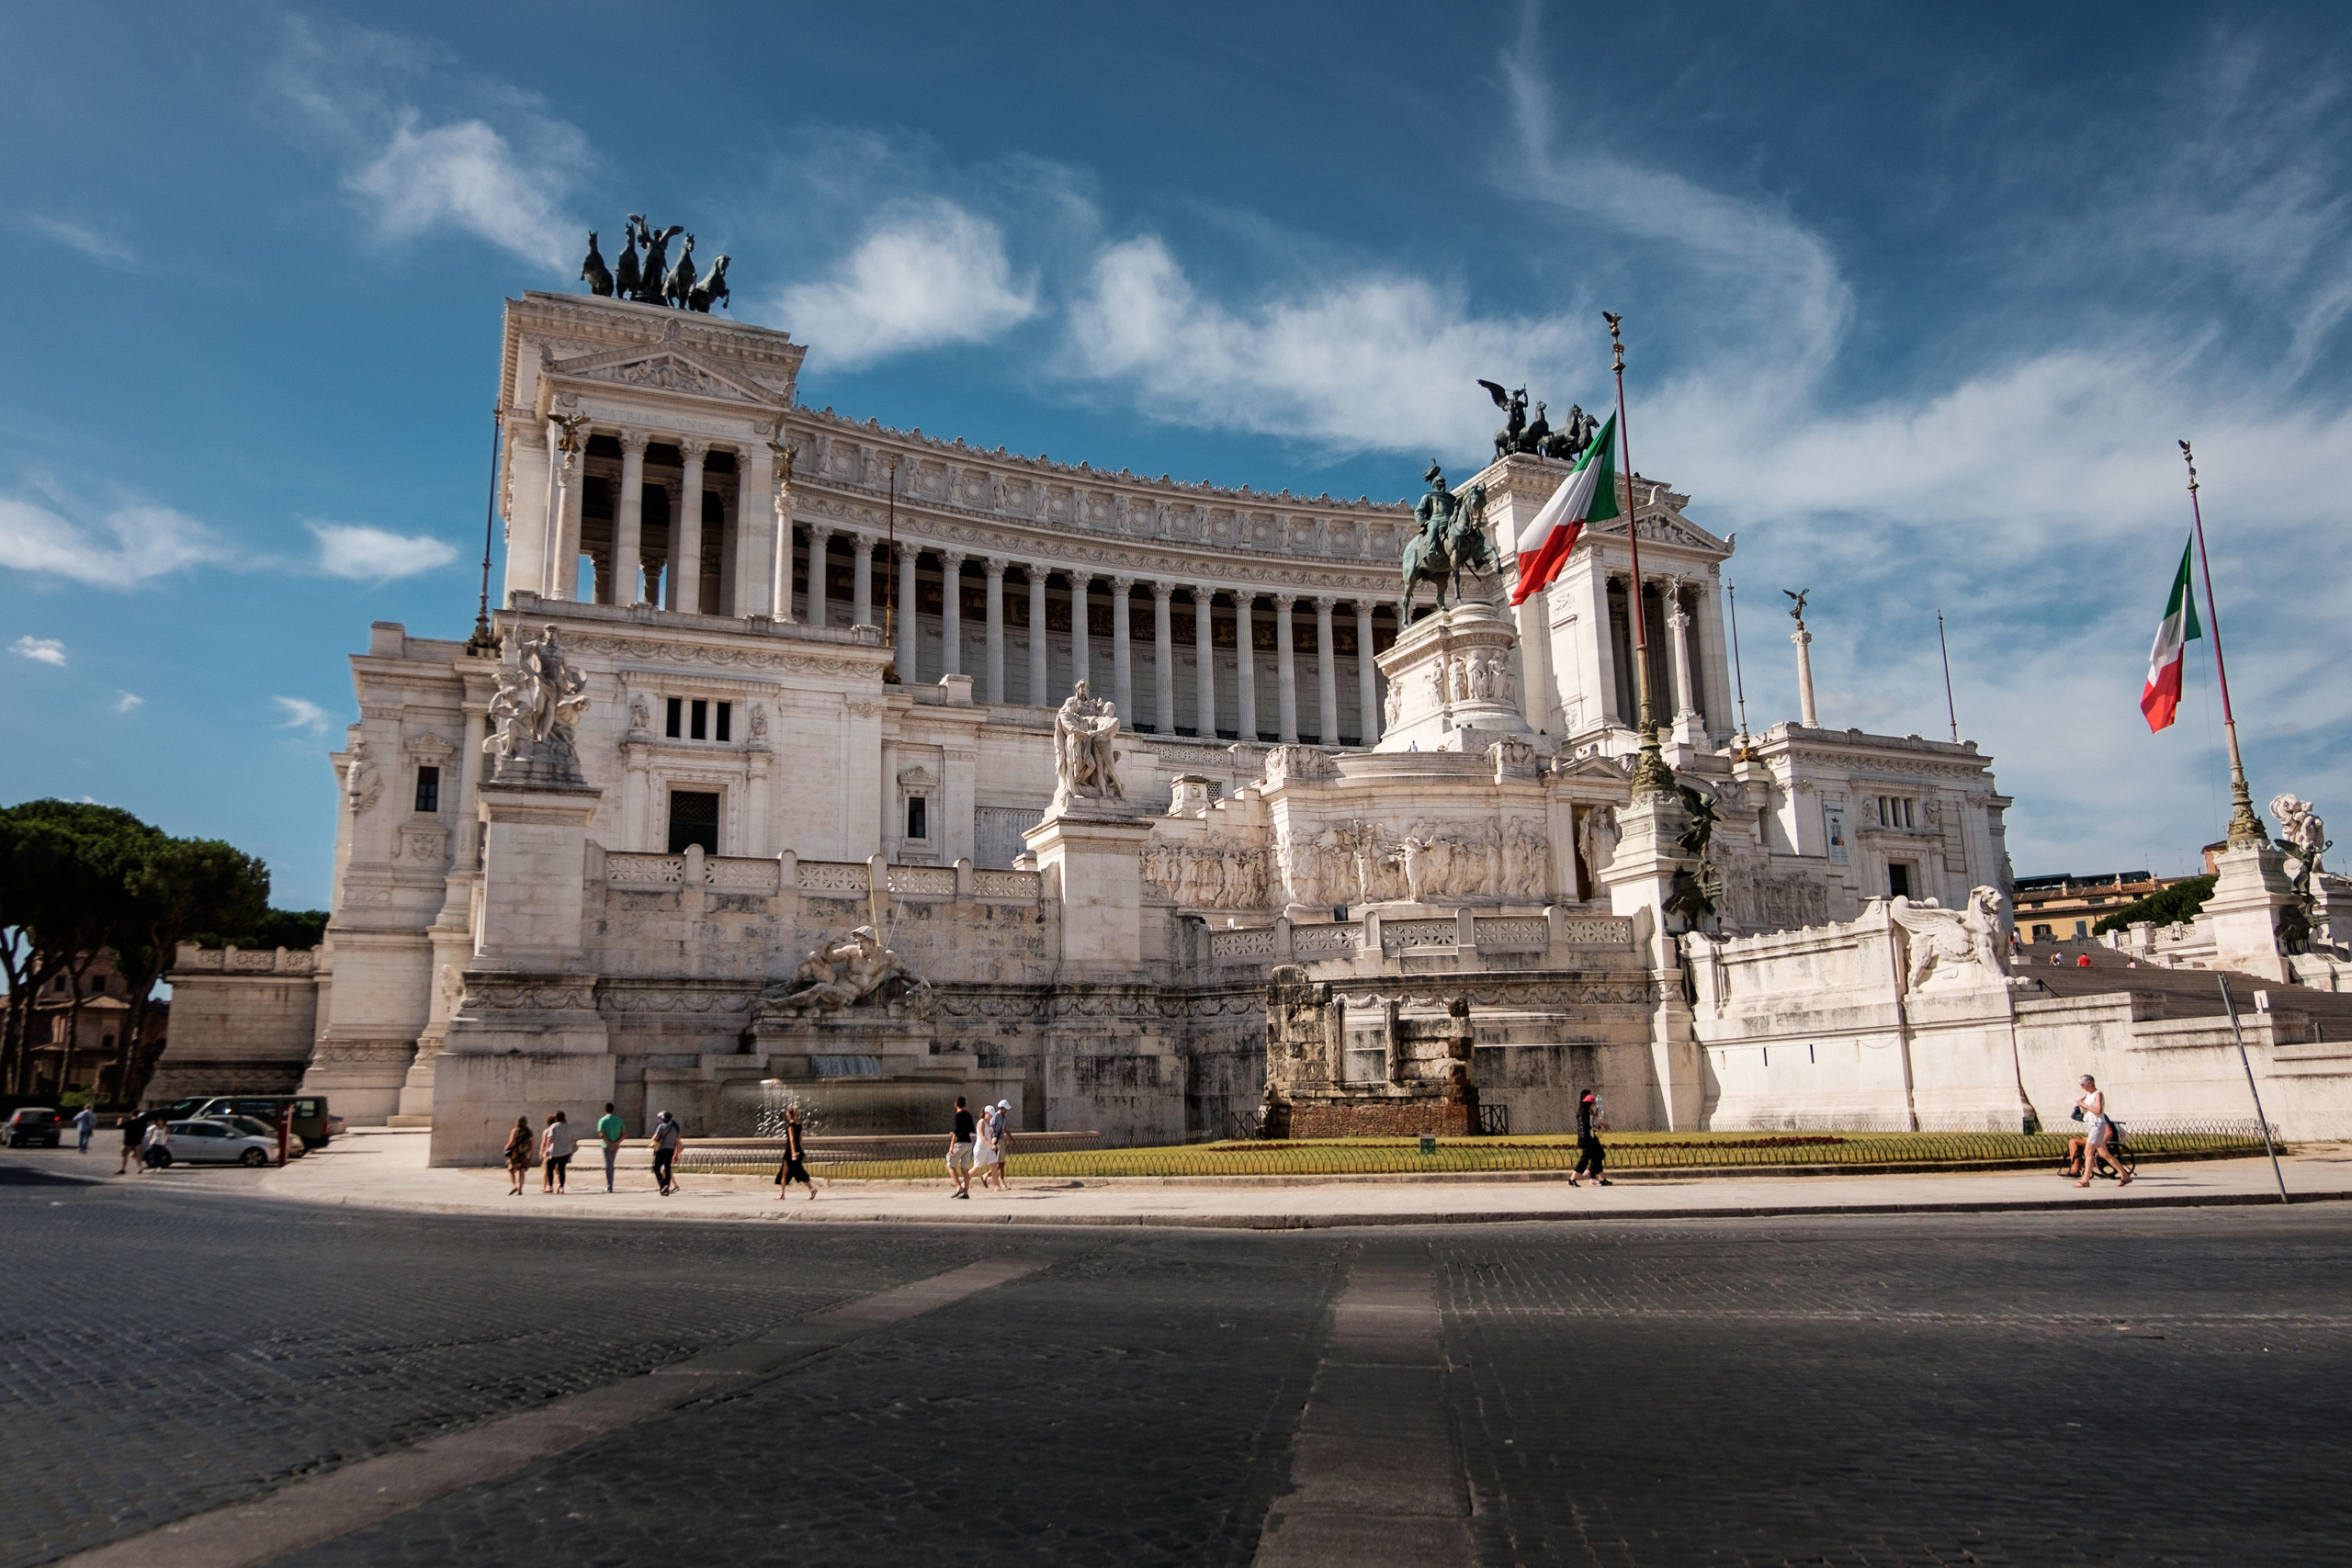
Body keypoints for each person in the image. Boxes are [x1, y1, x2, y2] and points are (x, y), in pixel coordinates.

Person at [2074, 1075, 2131, 1188]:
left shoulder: (2098, 1094)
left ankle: (2085, 1180)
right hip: (2093, 1125)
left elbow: (2099, 1111)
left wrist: (2083, 1104)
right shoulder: (2089, 1095)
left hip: (2097, 1126)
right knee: (2104, 1153)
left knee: (2088, 1152)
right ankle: (2125, 1175)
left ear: (2090, 1083)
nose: (2082, 1087)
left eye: (2083, 1084)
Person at [1568, 1089, 1610, 1187]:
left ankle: (1602, 1178)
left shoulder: (1585, 1112)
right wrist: (1594, 1128)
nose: (1593, 1106)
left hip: (1590, 1138)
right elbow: (1586, 1126)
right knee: (1584, 1159)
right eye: (1592, 1104)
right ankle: (1572, 1178)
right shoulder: (1584, 1113)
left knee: (1597, 1156)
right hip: (1588, 1139)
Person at [775, 1104, 814, 1201]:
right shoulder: (799, 1124)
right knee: (799, 1171)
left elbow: (792, 1140)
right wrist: (799, 1150)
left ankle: (782, 1194)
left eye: (786, 1113)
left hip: (790, 1152)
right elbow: (800, 1139)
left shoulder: (791, 1126)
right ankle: (811, 1189)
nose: (786, 1114)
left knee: (784, 1173)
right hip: (798, 1150)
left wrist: (793, 1152)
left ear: (789, 1114)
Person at [945, 1096, 976, 1199]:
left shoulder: (957, 1115)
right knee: (965, 1170)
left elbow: (957, 1131)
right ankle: (966, 1193)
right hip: (968, 1143)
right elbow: (971, 1129)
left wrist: (951, 1146)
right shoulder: (968, 1115)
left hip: (960, 1143)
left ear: (956, 1104)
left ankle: (959, 1186)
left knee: (950, 1164)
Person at [540, 1111, 575, 1194]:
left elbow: (550, 1139)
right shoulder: (568, 1127)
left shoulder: (554, 1126)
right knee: (562, 1169)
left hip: (555, 1151)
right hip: (566, 1151)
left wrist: (548, 1150)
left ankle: (550, 1186)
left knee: (550, 1168)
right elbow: (571, 1139)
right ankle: (561, 1187)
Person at [971, 1103, 1002, 1192]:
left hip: (988, 1148)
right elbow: (982, 1137)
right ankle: (963, 1184)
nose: (991, 1116)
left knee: (994, 1165)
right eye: (990, 1114)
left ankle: (997, 1186)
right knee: (977, 1168)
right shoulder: (981, 1122)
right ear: (986, 1113)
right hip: (981, 1148)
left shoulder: (989, 1123)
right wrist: (990, 1144)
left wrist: (992, 1144)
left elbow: (990, 1135)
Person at [595, 1101, 626, 1193]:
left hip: (606, 1145)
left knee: (608, 1164)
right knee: (611, 1164)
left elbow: (601, 1135)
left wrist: (610, 1144)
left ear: (605, 1110)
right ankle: (610, 1184)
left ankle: (609, 1185)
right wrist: (616, 1143)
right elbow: (624, 1134)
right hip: (616, 1146)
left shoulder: (602, 1120)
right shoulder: (619, 1120)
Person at [651, 1111, 683, 1195]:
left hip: (661, 1150)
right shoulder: (674, 1128)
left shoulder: (661, 1126)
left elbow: (655, 1137)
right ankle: (667, 1186)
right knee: (667, 1168)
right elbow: (676, 1141)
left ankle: (662, 1185)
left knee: (656, 1167)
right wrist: (676, 1154)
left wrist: (653, 1140)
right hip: (670, 1150)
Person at [502, 1116, 534, 1195]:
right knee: (522, 1170)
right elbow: (532, 1143)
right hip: (525, 1154)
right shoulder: (529, 1131)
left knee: (511, 1169)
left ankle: (513, 1186)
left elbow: (512, 1142)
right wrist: (530, 1153)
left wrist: (506, 1148)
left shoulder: (515, 1131)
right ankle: (520, 1189)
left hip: (515, 1153)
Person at [118, 1111, 146, 1175]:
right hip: (137, 1142)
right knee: (137, 1156)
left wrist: (119, 1121)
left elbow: (119, 1127)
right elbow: (143, 1132)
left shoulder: (129, 1122)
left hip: (128, 1142)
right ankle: (140, 1168)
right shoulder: (141, 1123)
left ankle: (123, 1169)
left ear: (132, 1116)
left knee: (125, 1156)